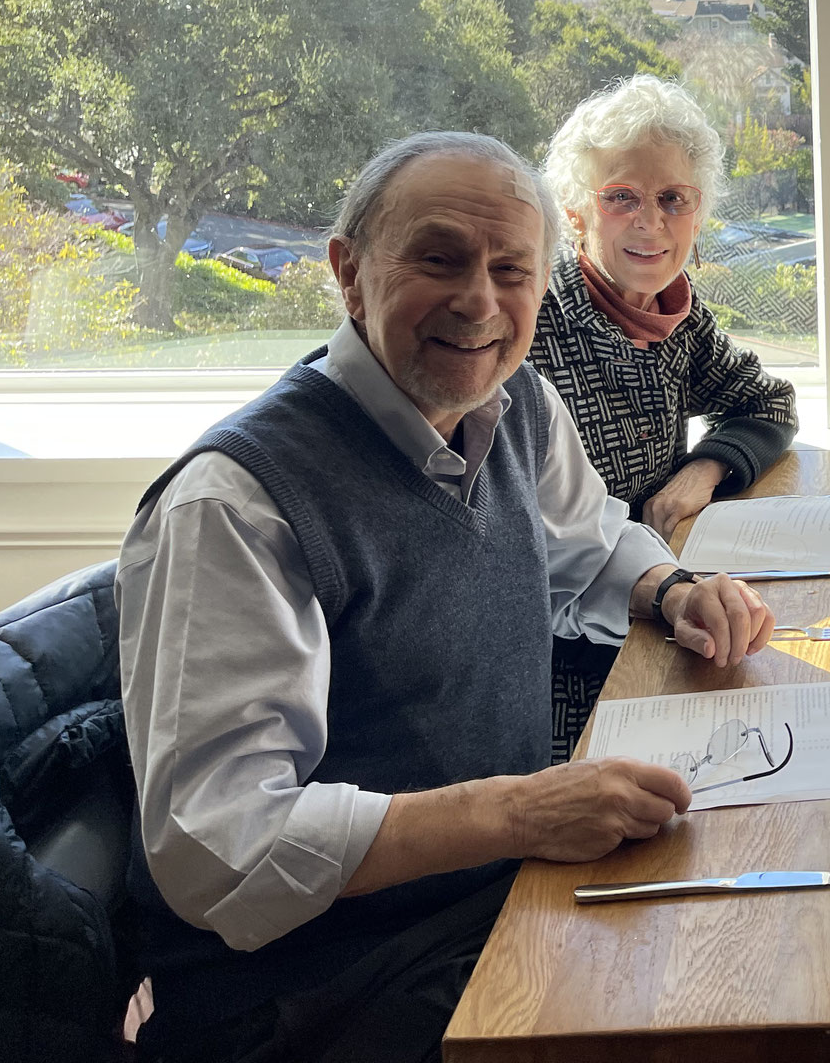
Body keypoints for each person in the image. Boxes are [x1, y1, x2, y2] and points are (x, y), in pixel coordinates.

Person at [117, 131, 776, 1063]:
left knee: (755, 946)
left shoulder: (517, 412)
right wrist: (519, 814)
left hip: (489, 902)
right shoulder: (236, 506)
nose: (480, 300)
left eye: (513, 270)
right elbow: (219, 841)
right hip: (314, 992)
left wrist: (673, 587)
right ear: (347, 272)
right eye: (438, 259)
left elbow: (589, 548)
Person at [530, 74, 799, 760]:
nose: (651, 223)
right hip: (563, 665)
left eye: (673, 199)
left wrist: (702, 472)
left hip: (667, 610)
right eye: (622, 197)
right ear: (575, 213)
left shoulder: (673, 315)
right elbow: (540, 557)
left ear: (698, 210)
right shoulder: (525, 330)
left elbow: (767, 402)